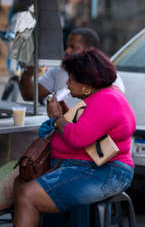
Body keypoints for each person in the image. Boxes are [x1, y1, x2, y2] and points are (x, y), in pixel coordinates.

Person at [13, 48, 136, 227]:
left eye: (71, 79)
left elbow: (77, 138)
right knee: (20, 186)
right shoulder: (102, 96)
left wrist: (57, 117)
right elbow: (89, 129)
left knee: (27, 195)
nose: (68, 84)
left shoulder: (107, 100)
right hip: (84, 167)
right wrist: (66, 115)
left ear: (86, 84)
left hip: (104, 172)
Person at [19, 27, 124, 108]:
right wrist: (29, 70)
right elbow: (29, 94)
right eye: (67, 46)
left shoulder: (109, 79)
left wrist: (59, 120)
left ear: (90, 50)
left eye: (73, 47)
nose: (67, 51)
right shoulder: (59, 71)